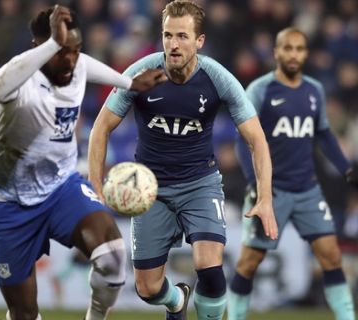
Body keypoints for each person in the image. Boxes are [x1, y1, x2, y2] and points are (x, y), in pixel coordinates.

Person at [87, 1, 278, 320]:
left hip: (199, 184)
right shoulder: (140, 75)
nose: (173, 44)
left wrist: (267, 197)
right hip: (149, 192)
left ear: (199, 41)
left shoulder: (218, 78)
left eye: (182, 36)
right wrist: (95, 185)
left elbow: (257, 139)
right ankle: (176, 300)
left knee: (209, 264)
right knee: (147, 289)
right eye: (167, 35)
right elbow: (100, 128)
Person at [0, 5, 166, 320]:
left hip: (60, 187)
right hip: (9, 205)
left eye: (75, 50)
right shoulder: (20, 81)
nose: (71, 59)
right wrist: (55, 43)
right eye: (61, 51)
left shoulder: (75, 64)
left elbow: (84, 63)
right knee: (23, 313)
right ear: (40, 47)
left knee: (113, 258)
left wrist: (129, 83)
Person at [228, 27, 358, 320]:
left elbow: (323, 133)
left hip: (307, 189)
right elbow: (242, 140)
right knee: (249, 262)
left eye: (299, 49)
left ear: (306, 54)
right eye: (288, 48)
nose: (294, 54)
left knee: (332, 256)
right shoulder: (260, 90)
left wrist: (346, 169)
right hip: (271, 193)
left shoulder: (314, 90)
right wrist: (256, 184)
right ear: (276, 52)